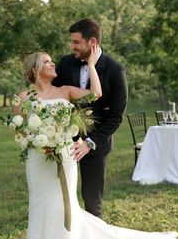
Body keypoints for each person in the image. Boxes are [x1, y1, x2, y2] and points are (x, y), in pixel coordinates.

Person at [10, 49, 178, 239]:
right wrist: (38, 141)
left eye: (52, 61)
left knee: (63, 204)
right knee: (39, 203)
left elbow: (96, 94)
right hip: (37, 160)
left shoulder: (65, 91)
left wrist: (91, 64)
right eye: (47, 62)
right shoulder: (24, 96)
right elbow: (18, 128)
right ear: (35, 69)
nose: (53, 64)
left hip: (65, 156)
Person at [52, 18, 128, 219]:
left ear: (92, 42)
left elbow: (116, 117)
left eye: (76, 42)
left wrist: (89, 143)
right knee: (59, 196)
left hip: (96, 145)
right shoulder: (66, 63)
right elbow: (54, 94)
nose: (72, 46)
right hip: (64, 141)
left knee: (92, 202)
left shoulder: (115, 70)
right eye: (72, 42)